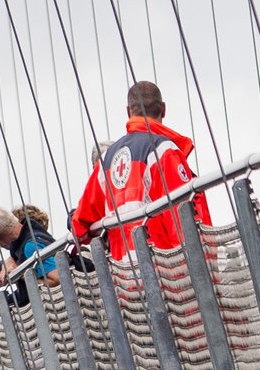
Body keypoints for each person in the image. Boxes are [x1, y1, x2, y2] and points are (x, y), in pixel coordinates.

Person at [70, 80, 209, 259]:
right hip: (166, 272)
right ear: (164, 109)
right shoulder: (164, 151)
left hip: (125, 275)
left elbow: (80, 224)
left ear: (129, 112)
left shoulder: (106, 160)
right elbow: (182, 220)